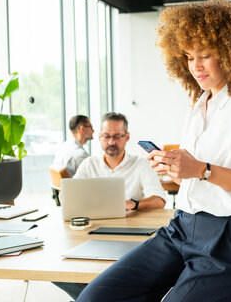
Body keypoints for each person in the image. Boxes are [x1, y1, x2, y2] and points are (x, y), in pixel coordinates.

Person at [76, 0, 231, 302]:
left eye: (205, 55)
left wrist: (201, 170)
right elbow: (196, 181)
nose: (195, 66)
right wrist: (175, 170)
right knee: (94, 298)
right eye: (188, 57)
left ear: (230, 52)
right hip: (181, 228)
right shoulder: (200, 104)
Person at [54, 112, 166, 301]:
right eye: (106, 136)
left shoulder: (140, 165)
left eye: (117, 136)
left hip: (130, 237)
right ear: (99, 137)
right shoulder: (90, 164)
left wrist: (135, 204)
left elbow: (159, 201)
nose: (111, 142)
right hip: (92, 232)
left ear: (126, 137)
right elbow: (66, 196)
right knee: (58, 268)